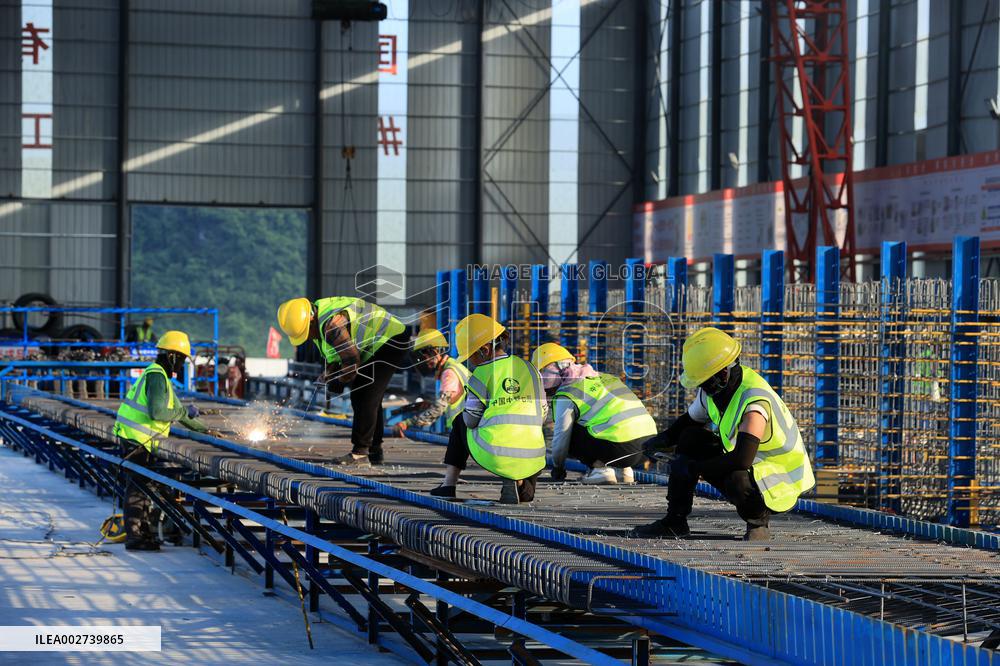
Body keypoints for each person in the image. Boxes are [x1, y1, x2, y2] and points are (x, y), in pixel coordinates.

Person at [635, 327, 815, 541]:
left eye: (705, 382)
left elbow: (742, 458)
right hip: (756, 467)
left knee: (737, 477)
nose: (702, 388)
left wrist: (695, 468)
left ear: (723, 373)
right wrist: (662, 440)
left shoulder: (754, 401)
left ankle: (758, 522)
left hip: (780, 480)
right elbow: (689, 422)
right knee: (690, 438)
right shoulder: (715, 390)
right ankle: (675, 522)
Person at [277, 296, 410, 465]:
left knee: (364, 396)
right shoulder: (321, 316)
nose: (308, 337)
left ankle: (360, 454)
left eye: (306, 333)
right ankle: (374, 451)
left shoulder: (332, 326)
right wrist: (329, 373)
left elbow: (351, 361)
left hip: (390, 340)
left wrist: (338, 381)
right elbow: (337, 353)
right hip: (379, 341)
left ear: (311, 320)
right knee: (370, 398)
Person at [430, 314, 546, 504]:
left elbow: (471, 421)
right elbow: (543, 412)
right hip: (535, 454)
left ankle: (448, 485)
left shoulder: (481, 374)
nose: (471, 362)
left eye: (471, 356)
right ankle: (521, 483)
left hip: (496, 452)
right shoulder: (530, 369)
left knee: (460, 420)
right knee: (528, 442)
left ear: (484, 349)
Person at [112, 330, 209, 550]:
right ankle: (135, 538)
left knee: (144, 487)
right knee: (138, 488)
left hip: (140, 441)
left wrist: (206, 432)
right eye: (182, 359)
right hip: (136, 441)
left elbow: (179, 413)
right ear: (173, 356)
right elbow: (158, 412)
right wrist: (183, 413)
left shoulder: (161, 376)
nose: (182, 364)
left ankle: (144, 532)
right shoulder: (156, 376)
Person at [532, 343, 657, 485]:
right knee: (604, 423)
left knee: (569, 431)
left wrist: (558, 467)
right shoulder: (605, 377)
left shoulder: (568, 392)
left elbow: (561, 437)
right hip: (647, 446)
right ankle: (624, 471)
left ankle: (600, 469)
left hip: (618, 450)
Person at [392, 328, 469, 436]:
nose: (424, 361)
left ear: (435, 351)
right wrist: (431, 404)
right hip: (465, 428)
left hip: (465, 430)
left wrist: (407, 423)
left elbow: (438, 408)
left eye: (425, 356)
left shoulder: (449, 373)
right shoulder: (454, 366)